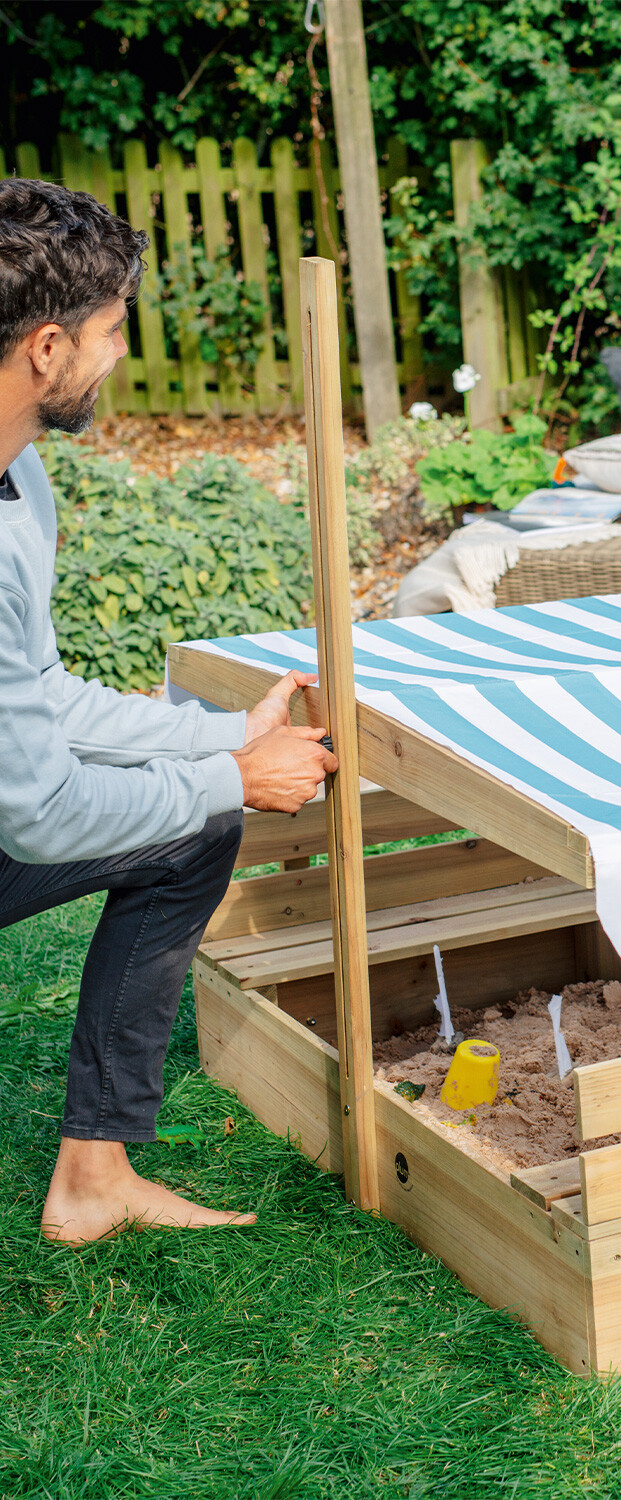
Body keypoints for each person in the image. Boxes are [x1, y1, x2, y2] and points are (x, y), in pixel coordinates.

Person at [0, 178, 336, 1244]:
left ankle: (94, 1182)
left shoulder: (19, 478)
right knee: (202, 812)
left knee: (189, 829)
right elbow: (39, 815)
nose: (119, 353)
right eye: (110, 329)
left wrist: (220, 737)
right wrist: (234, 778)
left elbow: (41, 696)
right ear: (46, 348)